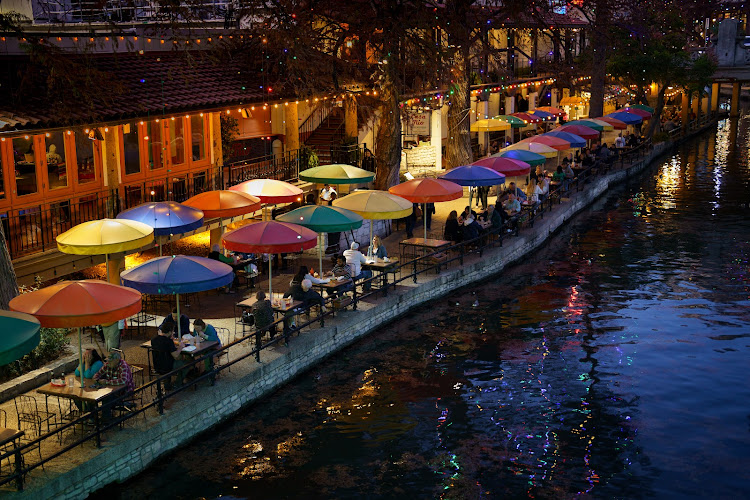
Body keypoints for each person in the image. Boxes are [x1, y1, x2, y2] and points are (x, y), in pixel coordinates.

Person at [151, 324, 185, 390]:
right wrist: (180, 347)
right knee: (185, 364)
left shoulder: (153, 339)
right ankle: (177, 383)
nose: (173, 333)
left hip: (157, 365)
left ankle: (167, 383)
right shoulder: (169, 342)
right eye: (172, 331)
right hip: (168, 366)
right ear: (169, 332)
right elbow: (175, 355)